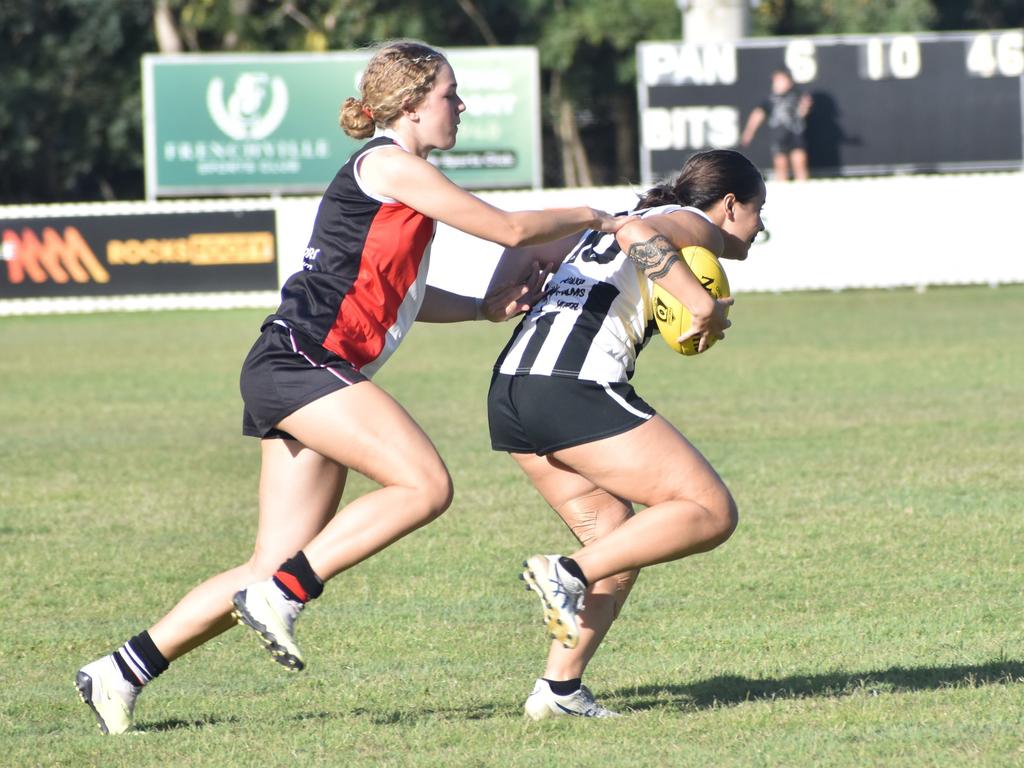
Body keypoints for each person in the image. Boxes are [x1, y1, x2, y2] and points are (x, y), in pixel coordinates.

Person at [74, 39, 632, 735]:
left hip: (297, 365)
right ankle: (288, 593)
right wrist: (594, 216)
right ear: (411, 105)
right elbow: (510, 229)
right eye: (449, 96)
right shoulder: (392, 164)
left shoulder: (402, 177)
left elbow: (399, 296)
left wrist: (483, 309)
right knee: (424, 485)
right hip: (303, 362)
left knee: (265, 564)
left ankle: (120, 671)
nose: (461, 107)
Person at [486, 149, 765, 719]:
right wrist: (700, 303)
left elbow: (531, 247)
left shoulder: (613, 219)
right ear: (730, 204)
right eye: (760, 211)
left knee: (616, 540)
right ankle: (563, 573)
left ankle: (558, 692)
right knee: (710, 512)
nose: (761, 227)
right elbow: (639, 233)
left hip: (512, 389)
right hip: (570, 388)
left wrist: (504, 292)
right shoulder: (693, 223)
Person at [740, 68, 812, 181]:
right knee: (780, 164)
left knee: (799, 161)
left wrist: (805, 108)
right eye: (775, 81)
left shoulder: (798, 95)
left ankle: (803, 188)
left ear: (789, 81)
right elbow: (758, 114)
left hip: (795, 134)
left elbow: (803, 112)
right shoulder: (770, 99)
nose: (778, 83)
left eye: (781, 80)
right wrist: (749, 132)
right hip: (778, 136)